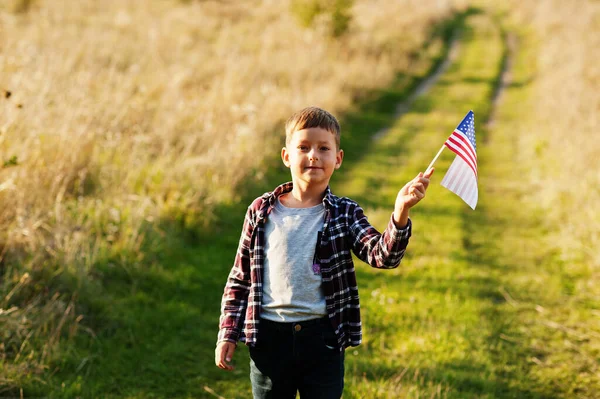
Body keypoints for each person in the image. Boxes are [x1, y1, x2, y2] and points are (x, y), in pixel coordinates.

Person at [215, 106, 434, 398]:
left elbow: (383, 256)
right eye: (303, 147)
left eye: (323, 148)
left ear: (338, 159)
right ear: (286, 156)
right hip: (269, 339)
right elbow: (240, 277)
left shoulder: (345, 213)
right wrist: (228, 332)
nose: (313, 156)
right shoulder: (261, 210)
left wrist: (400, 212)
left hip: (323, 339)